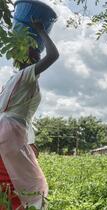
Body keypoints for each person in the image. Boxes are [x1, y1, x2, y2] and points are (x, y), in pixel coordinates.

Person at [0, 20, 59, 209]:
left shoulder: (14, 81)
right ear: (28, 59)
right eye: (35, 52)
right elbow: (53, 55)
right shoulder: (25, 75)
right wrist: (41, 30)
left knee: (7, 175)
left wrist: (30, 142)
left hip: (9, 133)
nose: (38, 53)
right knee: (32, 183)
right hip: (11, 135)